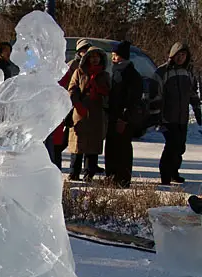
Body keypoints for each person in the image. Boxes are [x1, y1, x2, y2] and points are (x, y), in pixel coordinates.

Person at [150, 42, 202, 185]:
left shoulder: (188, 72)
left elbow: (192, 92)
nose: (181, 58)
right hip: (167, 117)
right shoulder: (163, 72)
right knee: (172, 146)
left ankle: (174, 172)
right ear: (172, 55)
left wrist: (197, 109)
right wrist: (156, 115)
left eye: (183, 55)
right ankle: (165, 175)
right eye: (178, 55)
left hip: (182, 117)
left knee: (180, 146)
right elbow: (156, 94)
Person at [68, 46, 111, 181]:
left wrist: (100, 91)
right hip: (80, 112)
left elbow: (109, 93)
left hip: (96, 114)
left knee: (92, 146)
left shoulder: (104, 75)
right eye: (92, 57)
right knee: (77, 145)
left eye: (97, 57)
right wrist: (78, 105)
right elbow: (72, 90)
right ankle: (74, 172)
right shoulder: (79, 72)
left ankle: (89, 173)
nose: (95, 60)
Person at [105, 41, 143, 188]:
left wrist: (124, 118)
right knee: (111, 147)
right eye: (113, 56)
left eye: (116, 56)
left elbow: (133, 99)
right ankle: (111, 177)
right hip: (112, 116)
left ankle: (123, 178)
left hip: (124, 118)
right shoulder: (114, 71)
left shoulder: (132, 75)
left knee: (123, 148)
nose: (113, 59)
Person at [53, 38, 92, 170]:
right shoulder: (73, 66)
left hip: (84, 105)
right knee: (66, 138)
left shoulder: (91, 66)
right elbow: (64, 85)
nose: (86, 52)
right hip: (69, 105)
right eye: (84, 50)